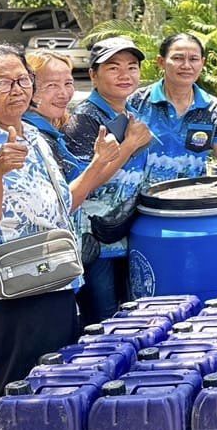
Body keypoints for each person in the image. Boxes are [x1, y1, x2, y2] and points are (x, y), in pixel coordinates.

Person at [0, 44, 120, 400]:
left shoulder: (33, 137)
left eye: (23, 80)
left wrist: (99, 164)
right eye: (3, 83)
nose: (17, 90)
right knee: (19, 400)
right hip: (9, 297)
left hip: (53, 282)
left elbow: (60, 206)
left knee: (55, 397)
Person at [64, 37, 157, 324]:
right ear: (93, 75)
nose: (125, 75)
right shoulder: (84, 119)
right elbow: (85, 182)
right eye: (113, 67)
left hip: (128, 235)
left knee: (132, 315)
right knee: (104, 322)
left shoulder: (132, 114)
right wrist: (129, 144)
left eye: (132, 67)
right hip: (96, 243)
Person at [133, 33, 217, 186]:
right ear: (161, 62)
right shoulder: (136, 101)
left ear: (202, 63)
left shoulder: (213, 108)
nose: (186, 66)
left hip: (194, 196)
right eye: (178, 58)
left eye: (194, 59)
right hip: (142, 198)